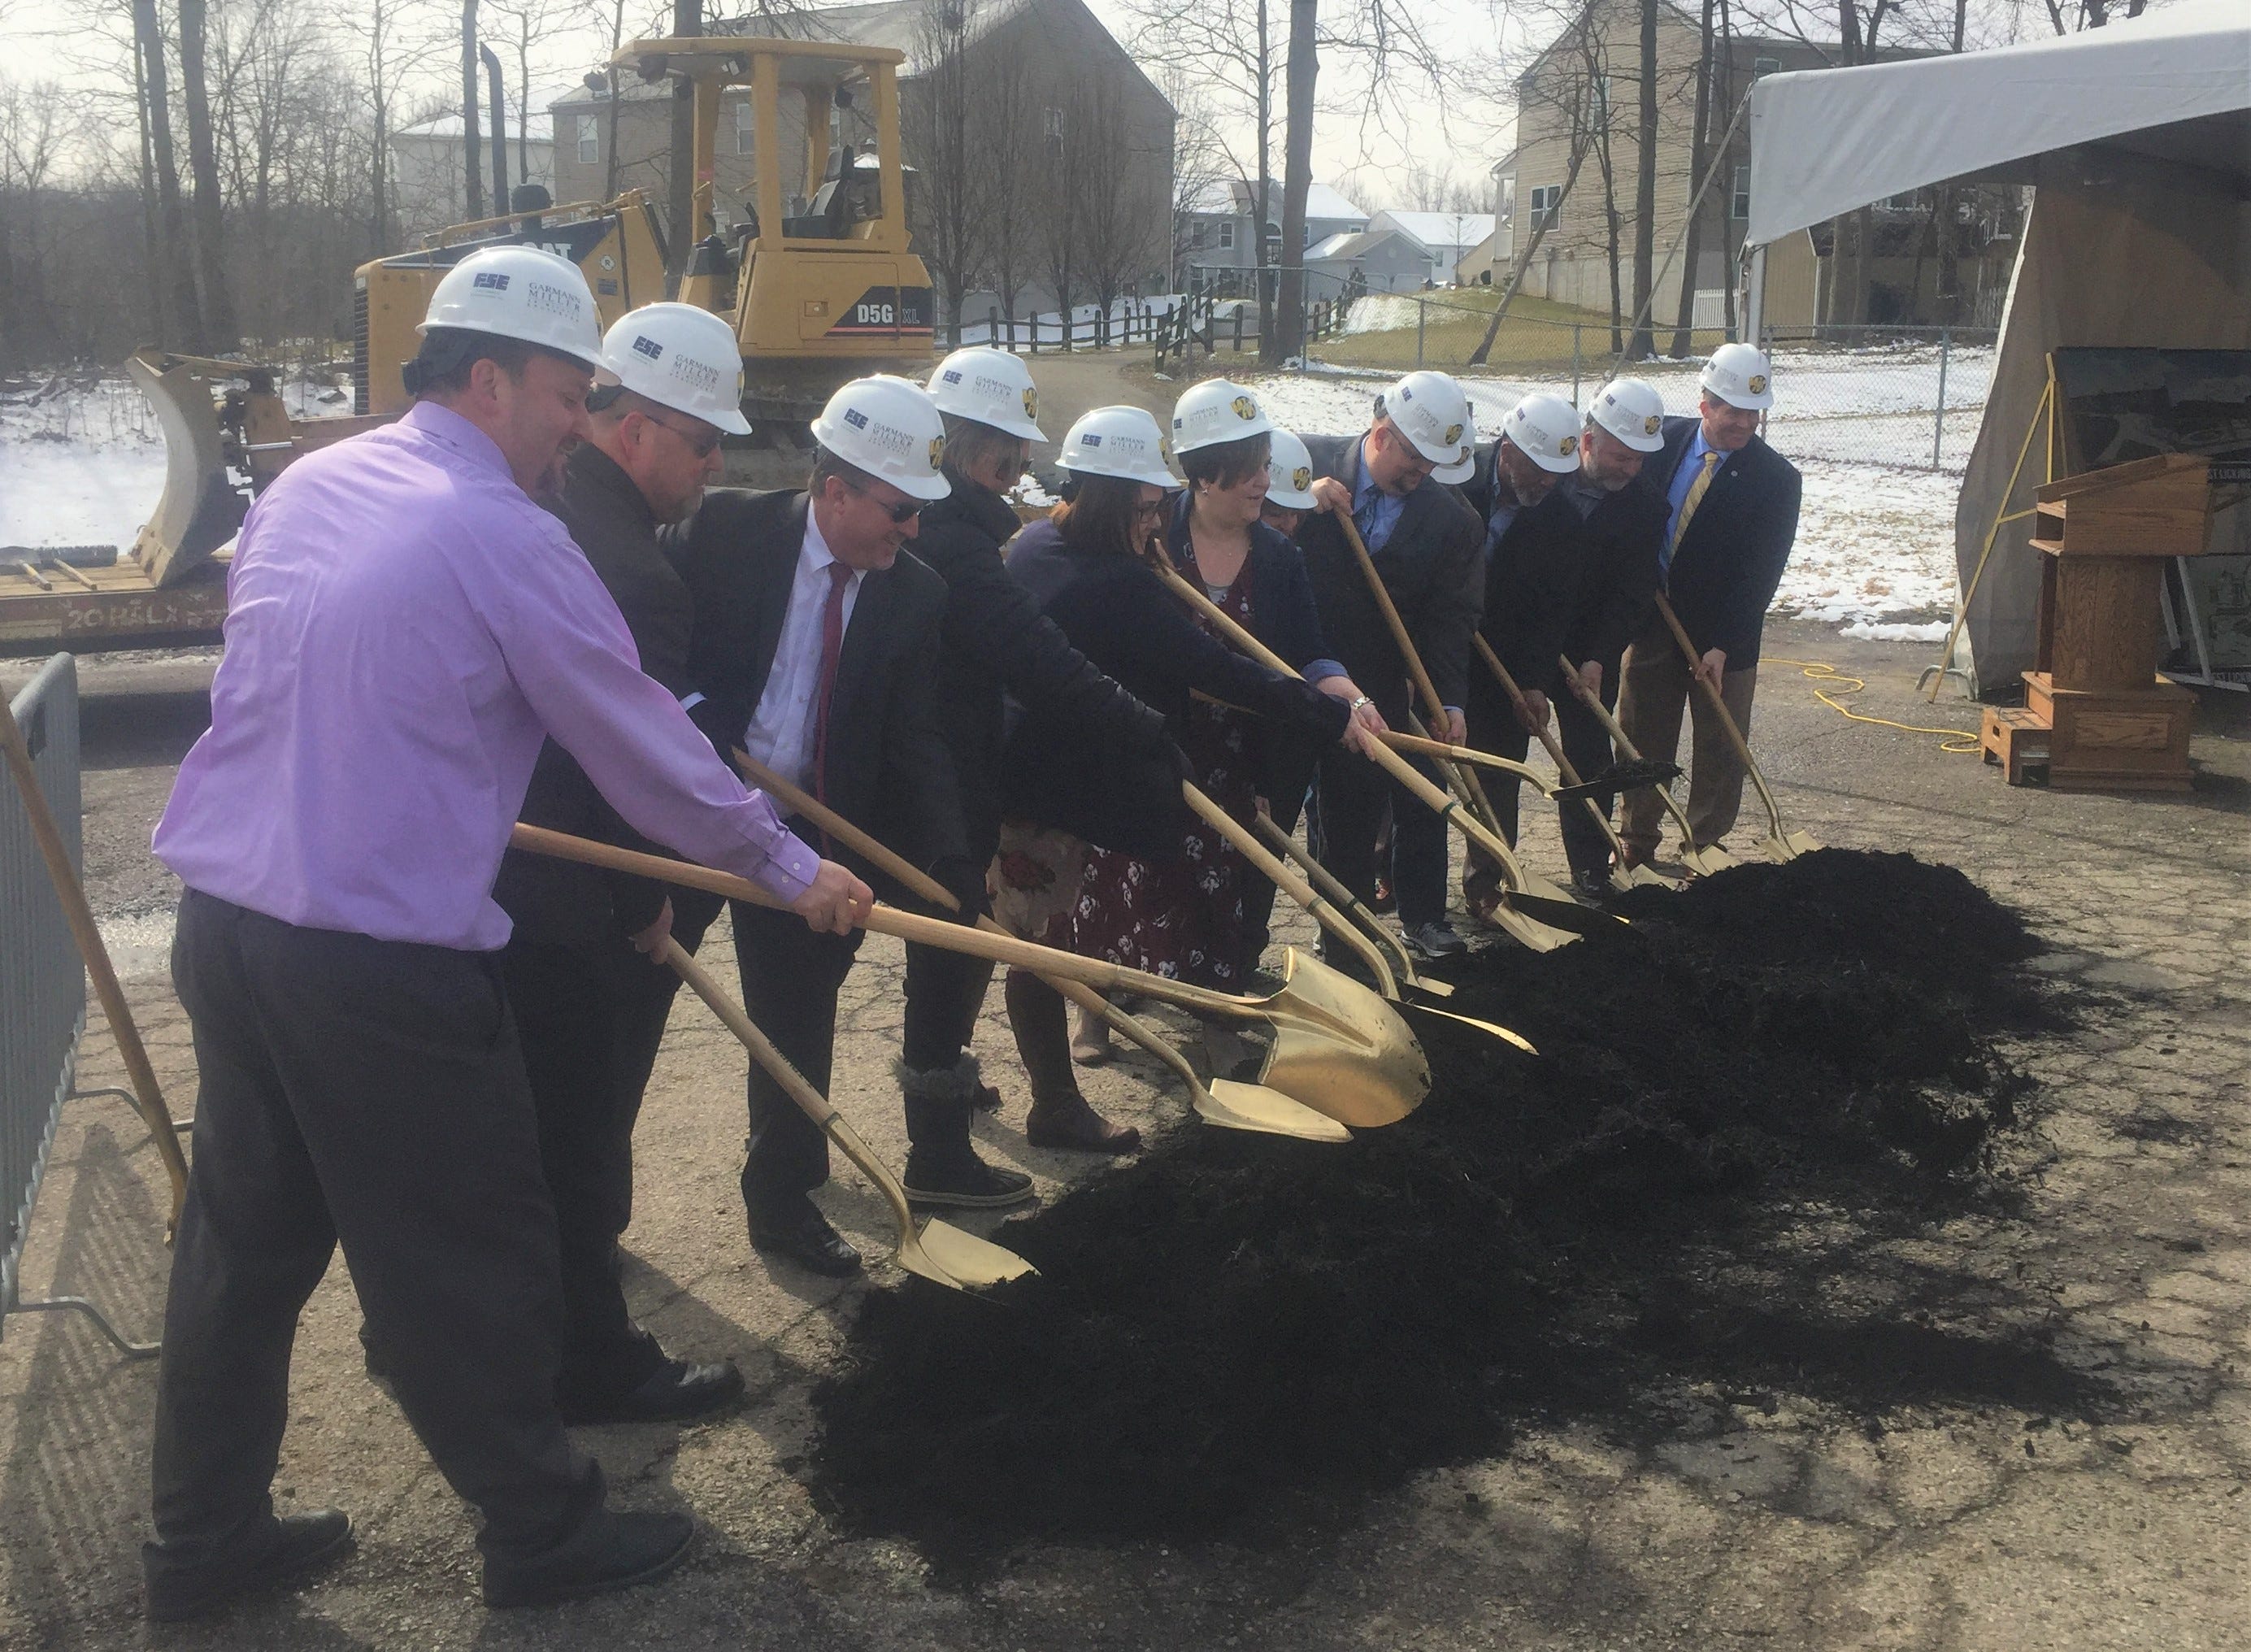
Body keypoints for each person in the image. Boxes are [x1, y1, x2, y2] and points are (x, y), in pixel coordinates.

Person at [141, 246, 870, 1621]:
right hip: (371, 962)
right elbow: (640, 741)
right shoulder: (499, 530)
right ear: (488, 379)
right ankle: (540, 1529)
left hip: (231, 927)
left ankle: (201, 1541)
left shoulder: (314, 483)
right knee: (470, 1246)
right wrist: (786, 866)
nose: (575, 421)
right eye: (559, 394)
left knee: (241, 1250)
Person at [478, 301, 747, 1428]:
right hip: (573, 906)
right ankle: (593, 1362)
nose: (713, 466)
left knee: (502, 1127)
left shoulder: (529, 505)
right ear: (631, 427)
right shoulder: (634, 571)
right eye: (701, 442)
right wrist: (652, 902)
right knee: (578, 1136)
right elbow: (621, 769)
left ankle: (420, 1325)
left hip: (482, 881)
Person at [671, 375, 976, 1278]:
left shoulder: (914, 594)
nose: (913, 530)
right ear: (834, 489)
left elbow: (916, 735)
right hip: (685, 805)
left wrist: (951, 860)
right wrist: (687, 713)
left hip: (805, 832)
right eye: (899, 507)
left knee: (797, 1020)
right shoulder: (722, 535)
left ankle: (783, 1199)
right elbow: (639, 636)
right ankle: (583, 1224)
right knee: (625, 1014)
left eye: (923, 509)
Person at [998, 405, 1363, 1143]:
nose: (1152, 519)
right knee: (1041, 946)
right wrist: (1327, 719)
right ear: (1108, 503)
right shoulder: (1117, 585)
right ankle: (1057, 1103)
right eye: (1142, 508)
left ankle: (1062, 1086)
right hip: (1057, 782)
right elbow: (1214, 669)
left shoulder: (1034, 545)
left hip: (1031, 770)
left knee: (1037, 940)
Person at [897, 346, 1175, 1202]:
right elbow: (1040, 660)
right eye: (1017, 460)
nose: (1022, 475)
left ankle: (948, 1084)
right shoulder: (965, 548)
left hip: (941, 773)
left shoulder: (948, 531)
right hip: (945, 783)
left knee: (960, 948)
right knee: (947, 960)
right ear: (990, 460)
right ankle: (937, 1158)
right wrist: (1144, 727)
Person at [1067, 384, 1384, 1074]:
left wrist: (1350, 699)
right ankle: (1099, 1003)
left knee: (1224, 887)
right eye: (1248, 468)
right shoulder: (1150, 535)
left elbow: (1308, 653)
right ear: (1203, 473)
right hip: (1147, 735)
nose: (1264, 483)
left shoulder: (1276, 558)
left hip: (1241, 750)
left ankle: (1217, 1011)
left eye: (1265, 464)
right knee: (1120, 872)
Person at [1296, 370, 1484, 962]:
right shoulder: (1301, 461)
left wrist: (1447, 701)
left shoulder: (1450, 519)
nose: (1420, 473)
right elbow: (1218, 506)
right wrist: (1296, 494)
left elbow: (1450, 619)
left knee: (1350, 819)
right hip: (1286, 664)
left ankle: (1349, 948)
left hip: (1373, 684)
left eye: (1432, 464)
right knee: (1274, 813)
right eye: (1413, 457)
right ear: (1382, 433)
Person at [1616, 343, 1803, 865]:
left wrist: (1723, 644)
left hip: (1728, 634)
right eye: (1733, 411)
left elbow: (1759, 575)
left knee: (1721, 745)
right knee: (1642, 731)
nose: (1744, 423)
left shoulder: (1777, 481)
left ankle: (1704, 843)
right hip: (1655, 623)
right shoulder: (1661, 443)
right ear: (1705, 404)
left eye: (1754, 412)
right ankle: (1637, 840)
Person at [1456, 392, 1585, 904]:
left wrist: (1532, 682)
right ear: (1506, 451)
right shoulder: (1457, 479)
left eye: (1557, 473)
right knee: (1414, 773)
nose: (1547, 482)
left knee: (1498, 775)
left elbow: (1554, 611)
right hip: (1428, 646)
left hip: (1502, 663)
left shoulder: (1563, 521)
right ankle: (1393, 878)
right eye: (1537, 469)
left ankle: (1485, 883)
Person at [1552, 380, 1672, 893]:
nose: (1632, 470)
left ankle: (1589, 864)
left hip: (1585, 646)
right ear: (1587, 443)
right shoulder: (1547, 476)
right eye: (1622, 457)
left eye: (1640, 461)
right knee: (1501, 755)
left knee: (1590, 758)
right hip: (1514, 637)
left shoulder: (1646, 508)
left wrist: (1601, 656)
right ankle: (1488, 872)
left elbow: (1631, 594)